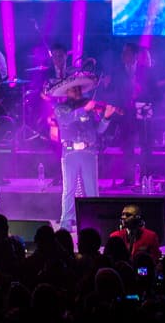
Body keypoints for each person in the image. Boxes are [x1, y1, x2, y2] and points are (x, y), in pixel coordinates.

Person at [46, 72, 116, 230]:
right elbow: (66, 119)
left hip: (89, 151)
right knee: (69, 189)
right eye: (73, 89)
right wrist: (84, 109)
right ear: (66, 92)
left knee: (92, 188)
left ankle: (94, 221)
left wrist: (106, 117)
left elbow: (98, 130)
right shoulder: (61, 108)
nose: (76, 91)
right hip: (70, 152)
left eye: (78, 89)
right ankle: (66, 222)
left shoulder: (89, 108)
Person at [112, 43, 158, 184]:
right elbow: (115, 93)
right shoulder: (118, 72)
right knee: (127, 145)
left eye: (127, 53)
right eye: (123, 53)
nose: (124, 56)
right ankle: (128, 177)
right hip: (126, 112)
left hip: (143, 110)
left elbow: (156, 93)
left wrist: (141, 93)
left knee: (146, 144)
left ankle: (147, 176)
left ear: (135, 55)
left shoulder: (146, 71)